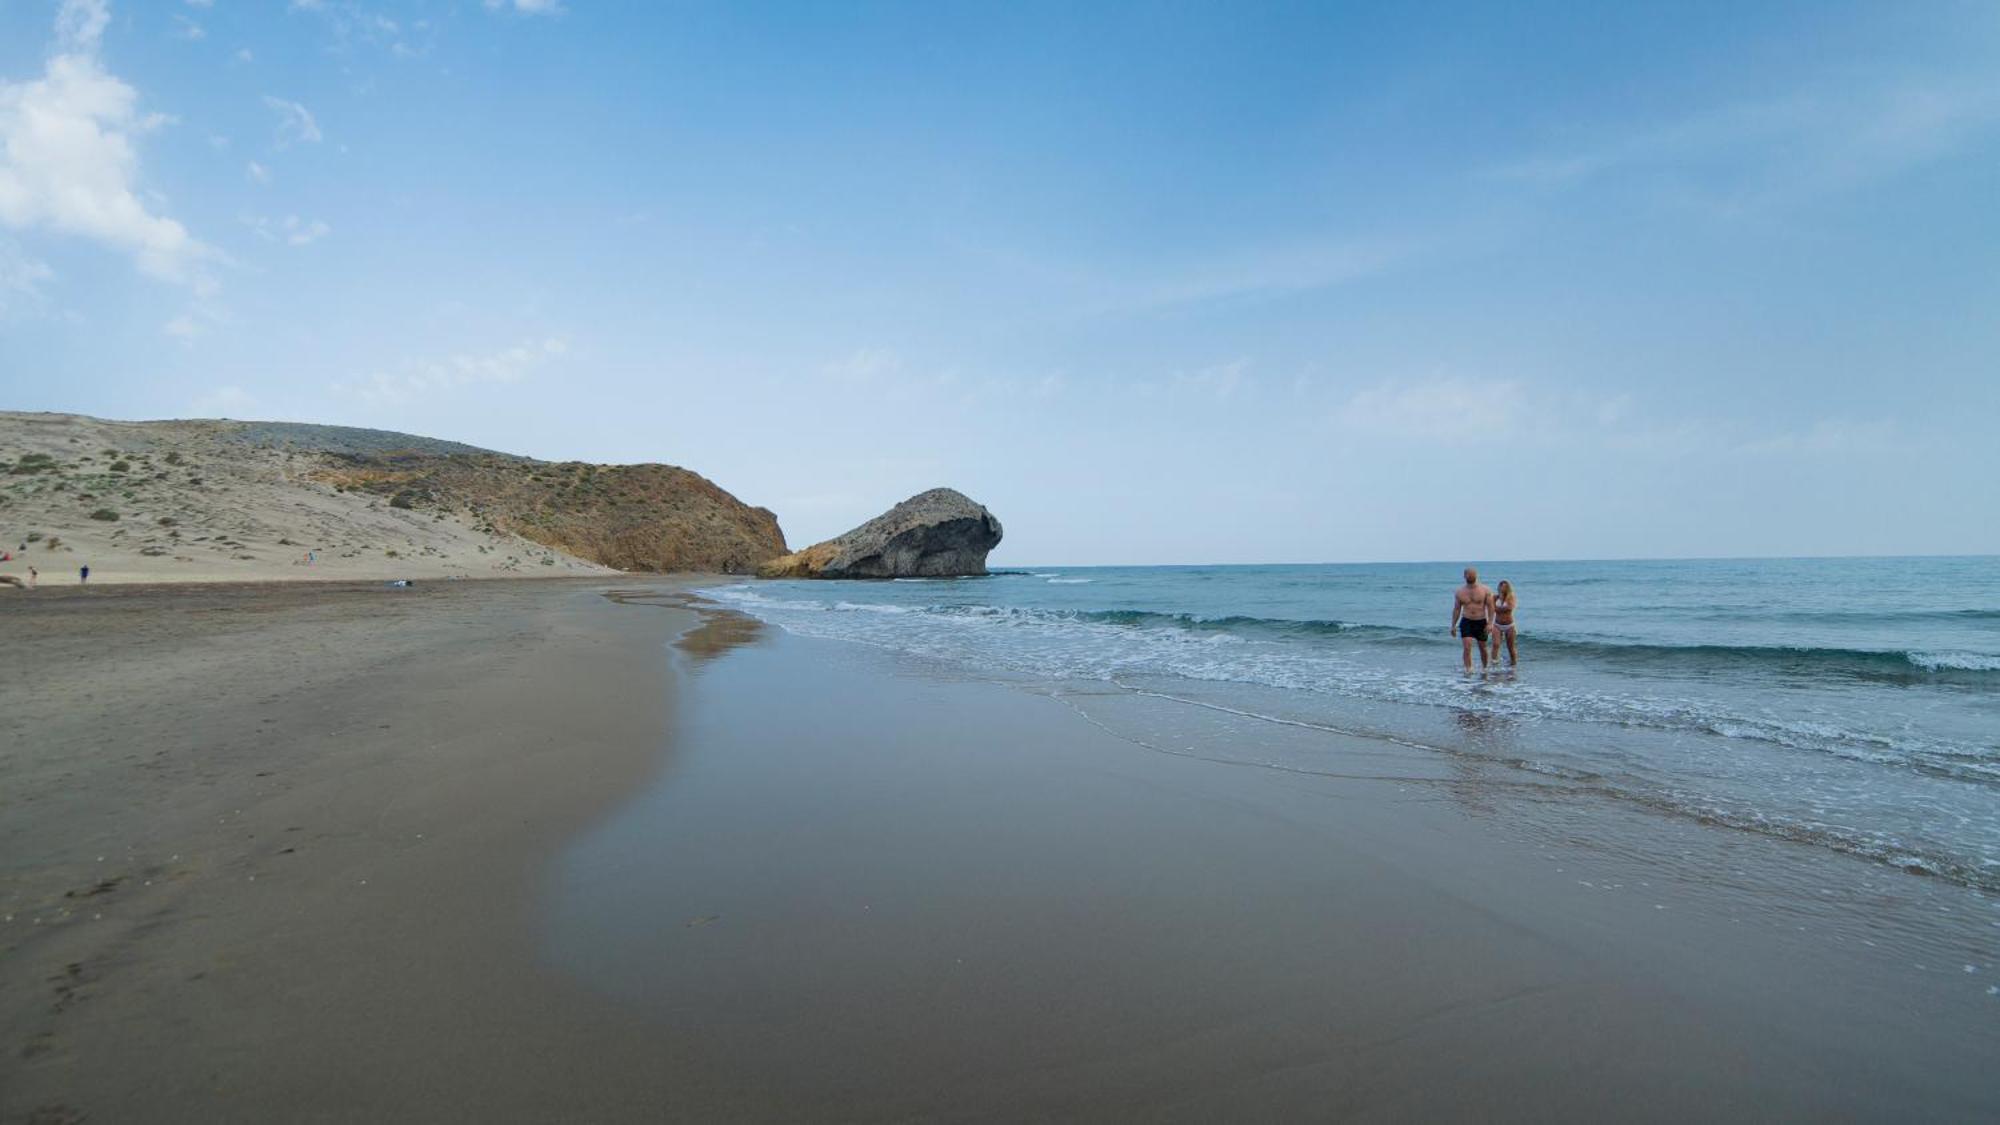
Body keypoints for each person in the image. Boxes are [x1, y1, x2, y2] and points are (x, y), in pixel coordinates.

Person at [1449, 566, 1496, 672]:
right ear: (1465, 576)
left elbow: (1491, 607)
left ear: (1476, 575)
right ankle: (1468, 671)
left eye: (1473, 574)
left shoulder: (1485, 590)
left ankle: (1485, 669)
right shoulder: (1459, 592)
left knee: (1482, 648)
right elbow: (1456, 609)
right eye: (1469, 574)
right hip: (1466, 621)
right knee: (1467, 647)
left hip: (1481, 621)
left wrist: (1490, 623)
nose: (1471, 576)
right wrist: (1453, 625)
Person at [1489, 579, 1519, 666]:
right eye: (1501, 585)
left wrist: (1496, 608)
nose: (1502, 587)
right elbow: (1491, 608)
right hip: (1497, 624)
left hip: (1509, 625)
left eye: (1505, 586)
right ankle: (1494, 664)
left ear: (1508, 588)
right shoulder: (1495, 597)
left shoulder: (1511, 597)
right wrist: (1497, 608)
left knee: (1511, 647)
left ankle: (1513, 665)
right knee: (1495, 644)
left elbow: (1509, 608)